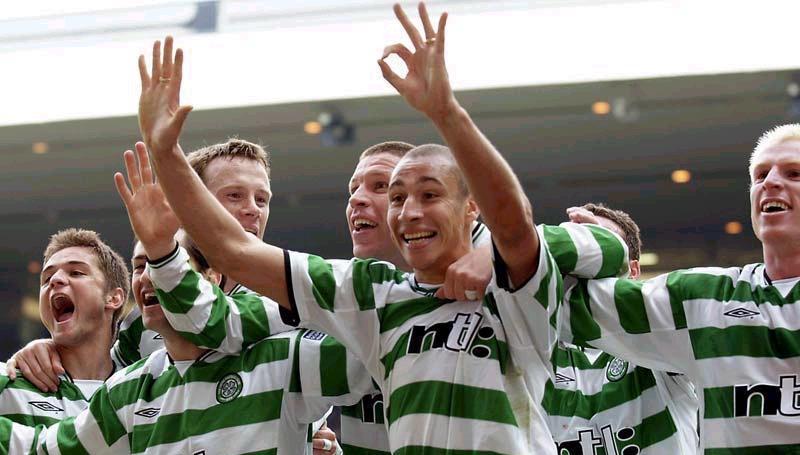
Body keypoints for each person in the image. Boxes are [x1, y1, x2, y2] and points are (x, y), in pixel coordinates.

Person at [134, 6, 628, 452]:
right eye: (395, 197)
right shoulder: (372, 296)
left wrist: (447, 115)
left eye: (428, 195)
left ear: (471, 208)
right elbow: (235, 254)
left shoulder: (512, 281)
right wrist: (166, 155)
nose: (407, 211)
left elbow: (537, 230)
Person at [0, 224, 372, 453]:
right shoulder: (127, 390)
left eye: (166, 265)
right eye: (140, 266)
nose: (149, 277)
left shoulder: (286, 360)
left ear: (212, 279)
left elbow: (380, 350)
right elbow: (38, 449)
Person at [555, 125, 800, 453]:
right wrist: (593, 246)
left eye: (794, 173)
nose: (769, 182)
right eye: (760, 175)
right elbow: (552, 297)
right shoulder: (702, 297)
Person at [544, 203, 699, 454]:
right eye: (580, 245)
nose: (586, 260)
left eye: (601, 243)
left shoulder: (661, 335)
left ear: (633, 270)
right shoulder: (538, 345)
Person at [0, 229, 128, 427]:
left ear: (113, 298)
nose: (54, 280)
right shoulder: (8, 383)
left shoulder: (143, 387)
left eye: (76, 272)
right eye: (46, 278)